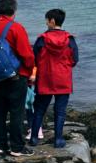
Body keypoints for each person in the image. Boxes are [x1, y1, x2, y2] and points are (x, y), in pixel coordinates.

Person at [0, 0, 35, 157]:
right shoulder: (16, 28)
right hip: (16, 76)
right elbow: (26, 54)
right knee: (16, 112)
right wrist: (30, 70)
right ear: (14, 10)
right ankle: (17, 147)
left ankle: (0, 144)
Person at [29, 9, 78, 148]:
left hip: (45, 78)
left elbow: (35, 58)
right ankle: (58, 139)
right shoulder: (69, 39)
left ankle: (33, 138)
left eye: (47, 20)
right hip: (63, 79)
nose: (45, 22)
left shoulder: (42, 39)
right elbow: (75, 59)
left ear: (52, 21)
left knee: (39, 109)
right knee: (60, 110)